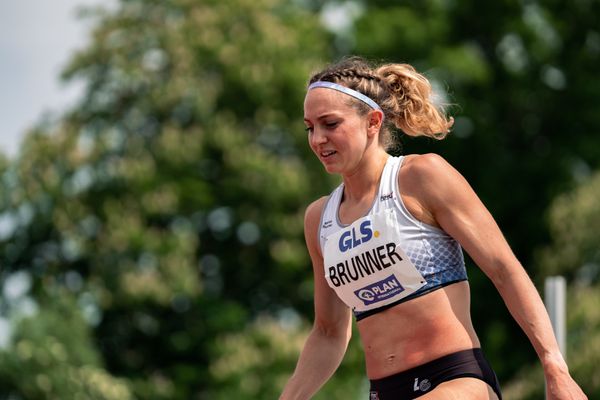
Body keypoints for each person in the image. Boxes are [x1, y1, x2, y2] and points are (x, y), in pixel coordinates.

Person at [279, 57, 587, 400]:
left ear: (373, 122)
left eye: (330, 123)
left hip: (455, 381)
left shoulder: (421, 178)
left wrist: (554, 366)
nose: (318, 139)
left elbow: (505, 270)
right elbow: (328, 331)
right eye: (310, 127)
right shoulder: (319, 219)